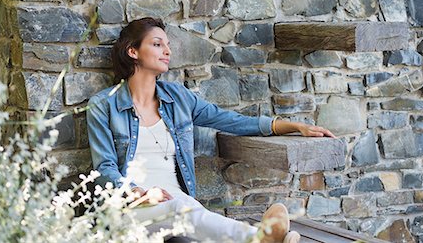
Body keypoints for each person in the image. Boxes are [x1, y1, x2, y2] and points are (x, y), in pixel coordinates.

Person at [86, 17, 336, 243]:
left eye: (168, 44)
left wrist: (292, 126)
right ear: (133, 51)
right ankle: (260, 238)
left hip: (178, 203)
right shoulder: (103, 105)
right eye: (157, 44)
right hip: (129, 207)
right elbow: (104, 167)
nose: (167, 51)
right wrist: (137, 192)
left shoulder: (178, 98)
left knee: (186, 210)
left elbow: (230, 120)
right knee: (182, 210)